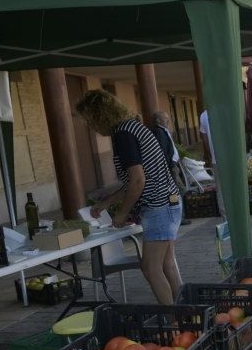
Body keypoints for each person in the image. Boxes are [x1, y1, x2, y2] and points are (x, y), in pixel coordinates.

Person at [76, 90, 182, 305]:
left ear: (99, 115)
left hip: (158, 205)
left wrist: (121, 214)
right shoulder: (134, 127)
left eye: (89, 120)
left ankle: (174, 321)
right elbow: (136, 180)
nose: (90, 126)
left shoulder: (123, 134)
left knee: (151, 269)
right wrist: (106, 203)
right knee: (167, 264)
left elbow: (137, 181)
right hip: (170, 202)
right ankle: (186, 313)